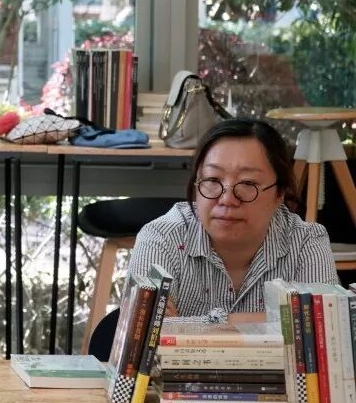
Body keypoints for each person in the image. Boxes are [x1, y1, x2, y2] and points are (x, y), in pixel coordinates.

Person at [126, 118, 338, 323]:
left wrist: (186, 324)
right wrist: (285, 321)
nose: (227, 199)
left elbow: (325, 327)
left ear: (280, 192)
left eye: (248, 183)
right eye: (212, 180)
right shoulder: (162, 238)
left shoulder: (306, 241)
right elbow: (146, 329)